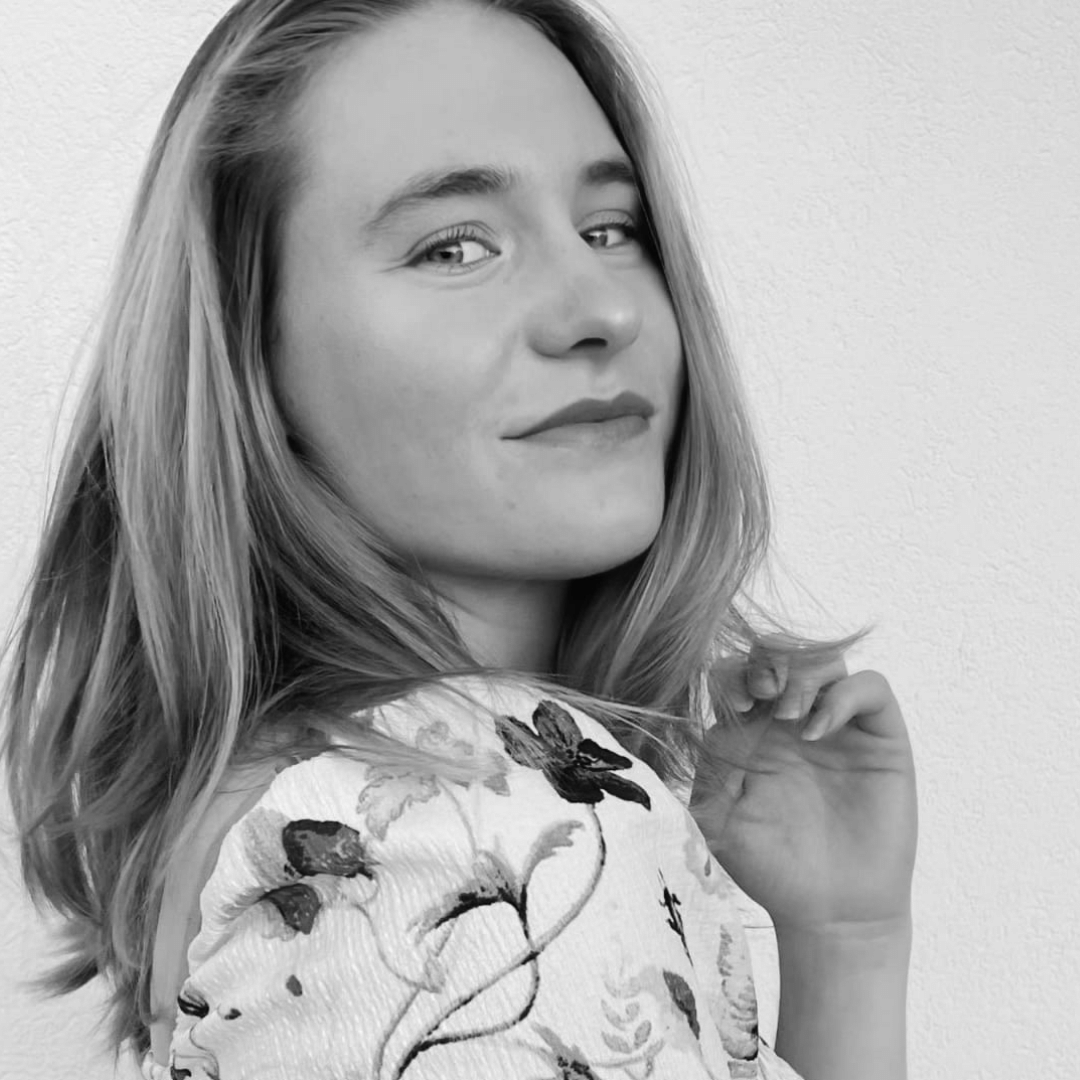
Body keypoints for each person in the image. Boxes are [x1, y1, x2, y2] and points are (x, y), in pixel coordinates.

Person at [0, 1, 918, 1078]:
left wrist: (847, 946)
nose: (600, 309)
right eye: (454, 247)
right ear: (255, 363)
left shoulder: (317, 804)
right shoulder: (465, 827)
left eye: (611, 229)